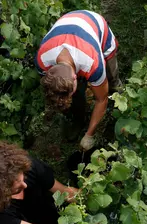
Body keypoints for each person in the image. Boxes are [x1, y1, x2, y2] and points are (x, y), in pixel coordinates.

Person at [36, 10, 119, 151]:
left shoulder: (92, 63)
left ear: (76, 77)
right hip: (65, 31)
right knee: (76, 97)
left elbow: (101, 99)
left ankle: (118, 95)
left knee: (111, 79)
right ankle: (78, 119)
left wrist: (89, 135)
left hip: (94, 24)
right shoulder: (42, 61)